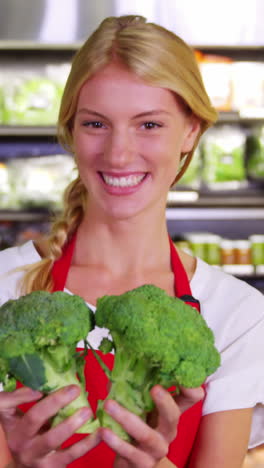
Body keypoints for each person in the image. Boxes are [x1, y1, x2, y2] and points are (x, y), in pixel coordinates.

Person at [0, 14, 264, 468]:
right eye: (96, 124)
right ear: (70, 132)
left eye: (149, 125)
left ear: (191, 131)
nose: (119, 154)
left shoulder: (237, 313)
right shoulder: (6, 287)